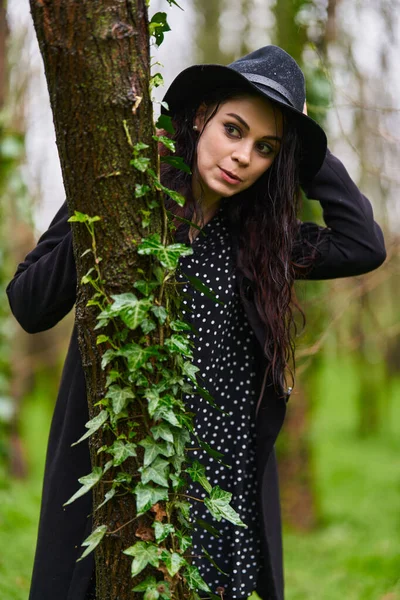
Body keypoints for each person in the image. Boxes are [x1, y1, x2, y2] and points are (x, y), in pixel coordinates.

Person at [6, 45, 386, 600]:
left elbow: (363, 244)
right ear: (201, 116)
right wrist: (104, 218)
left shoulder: (260, 242)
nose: (242, 157)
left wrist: (305, 144)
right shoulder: (126, 199)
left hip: (220, 481)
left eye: (265, 148)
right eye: (233, 130)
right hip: (127, 477)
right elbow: (29, 303)